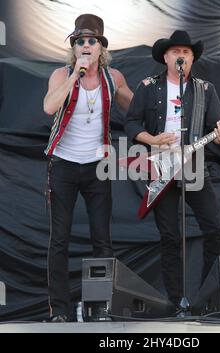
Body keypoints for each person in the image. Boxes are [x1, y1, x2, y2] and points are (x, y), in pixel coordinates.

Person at [125, 30, 220, 310]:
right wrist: (152, 139)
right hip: (162, 164)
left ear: (193, 58)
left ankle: (208, 299)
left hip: (194, 164)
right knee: (170, 235)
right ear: (165, 57)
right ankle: (175, 301)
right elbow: (131, 123)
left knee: (214, 228)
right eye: (176, 52)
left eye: (186, 52)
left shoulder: (205, 89)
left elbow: (219, 128)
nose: (181, 56)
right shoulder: (148, 86)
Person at [43, 14, 133, 322]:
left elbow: (135, 110)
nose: (85, 45)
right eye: (79, 41)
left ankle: (100, 308)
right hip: (64, 165)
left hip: (97, 166)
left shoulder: (113, 78)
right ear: (74, 47)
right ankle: (60, 311)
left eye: (91, 41)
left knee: (101, 239)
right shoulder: (61, 74)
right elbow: (49, 107)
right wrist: (74, 77)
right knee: (59, 239)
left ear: (101, 47)